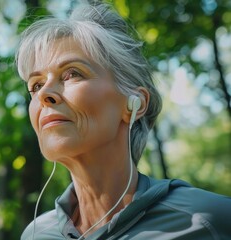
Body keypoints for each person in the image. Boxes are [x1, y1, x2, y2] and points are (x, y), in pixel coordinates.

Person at [15, 1, 231, 240]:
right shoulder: (35, 234)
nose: (44, 94)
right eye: (35, 85)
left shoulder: (209, 220)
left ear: (134, 103)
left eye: (72, 73)